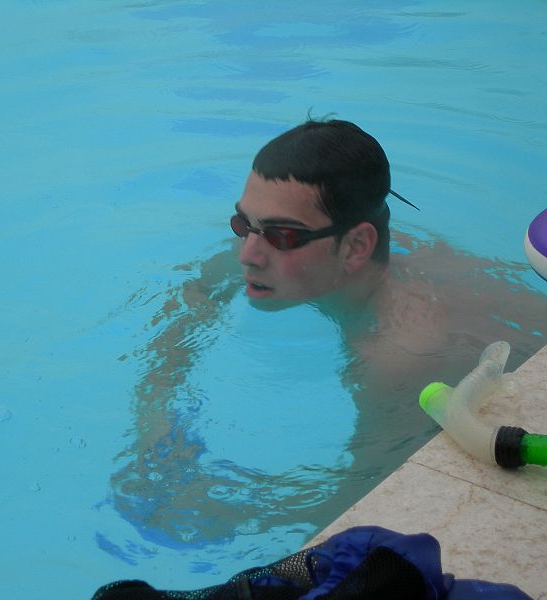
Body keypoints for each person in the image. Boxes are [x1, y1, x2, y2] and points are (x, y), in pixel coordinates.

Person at [102, 118, 547, 562]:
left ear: (355, 247)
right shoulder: (301, 248)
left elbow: (364, 494)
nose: (247, 255)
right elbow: (190, 303)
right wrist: (158, 427)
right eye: (243, 224)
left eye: (281, 235)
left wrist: (233, 512)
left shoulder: (398, 351)